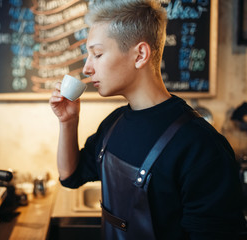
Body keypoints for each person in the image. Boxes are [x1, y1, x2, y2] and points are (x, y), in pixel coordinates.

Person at [49, 0, 246, 239]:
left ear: (140, 54)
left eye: (97, 54)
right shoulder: (114, 123)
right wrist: (68, 121)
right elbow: (71, 176)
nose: (87, 69)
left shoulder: (202, 147)